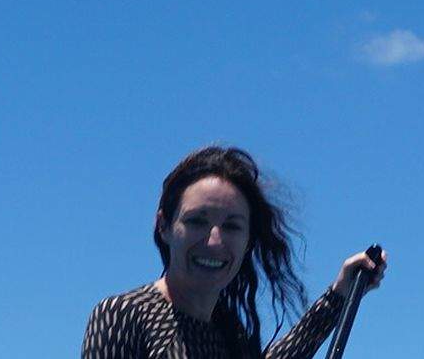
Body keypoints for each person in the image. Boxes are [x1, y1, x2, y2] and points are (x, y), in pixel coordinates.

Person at [82, 145, 389, 359]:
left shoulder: (230, 334)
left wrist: (339, 296)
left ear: (248, 239)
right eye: (197, 221)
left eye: (231, 227)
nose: (214, 241)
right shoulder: (124, 315)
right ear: (163, 226)